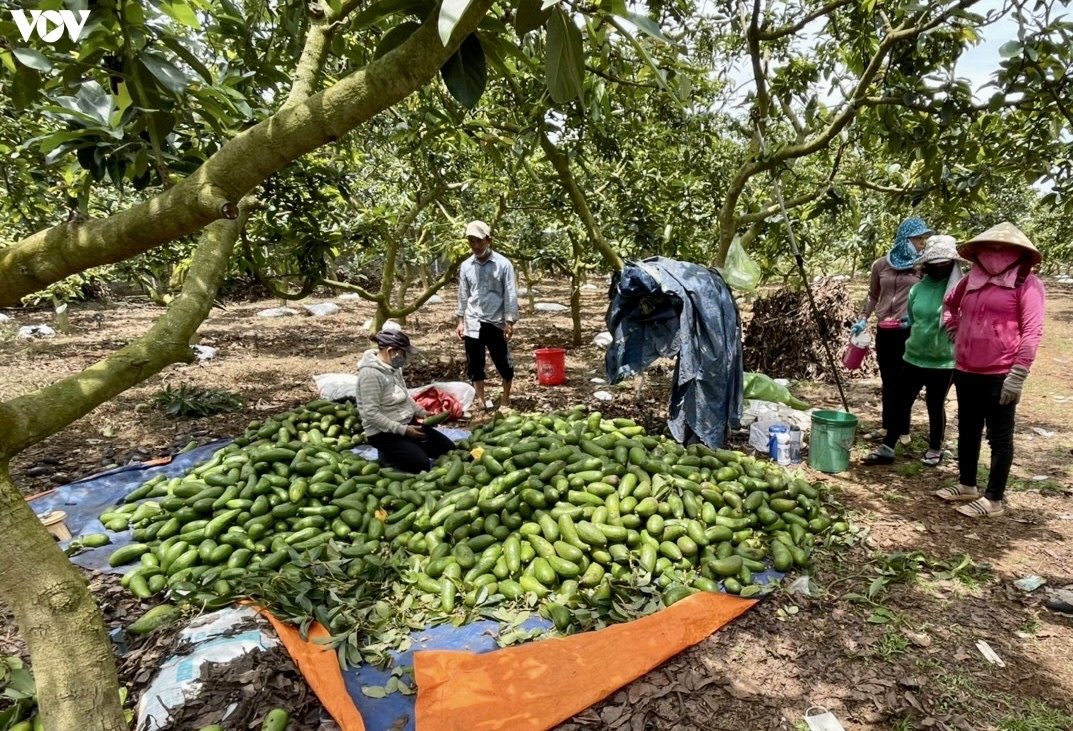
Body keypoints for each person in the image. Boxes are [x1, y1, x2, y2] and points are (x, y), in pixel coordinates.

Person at [934, 222, 1046, 518]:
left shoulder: (1026, 282)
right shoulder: (971, 279)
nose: (995, 254)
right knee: (968, 429)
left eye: (1002, 248)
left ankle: (994, 498)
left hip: (1001, 372)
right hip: (966, 368)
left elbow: (1033, 331)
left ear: (1018, 252)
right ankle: (967, 484)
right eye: (990, 248)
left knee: (999, 436)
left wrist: (1019, 373)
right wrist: (954, 328)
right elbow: (949, 305)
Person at [862, 236, 964, 466]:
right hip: (914, 355)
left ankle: (935, 447)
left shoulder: (958, 291)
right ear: (926, 264)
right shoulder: (917, 289)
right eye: (934, 264)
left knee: (935, 404)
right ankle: (888, 446)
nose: (939, 268)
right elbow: (914, 317)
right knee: (901, 401)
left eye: (944, 264)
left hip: (943, 360)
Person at [855, 216, 933, 442]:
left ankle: (903, 429)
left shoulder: (923, 266)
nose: (922, 243)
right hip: (885, 330)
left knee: (904, 381)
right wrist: (863, 318)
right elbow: (873, 295)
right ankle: (887, 426)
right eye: (918, 239)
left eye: (923, 239)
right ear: (904, 239)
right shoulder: (881, 265)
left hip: (908, 331)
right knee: (888, 380)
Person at [355, 329, 455, 473]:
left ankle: (402, 448)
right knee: (420, 465)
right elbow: (371, 413)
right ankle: (388, 453)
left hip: (406, 424)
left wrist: (421, 412)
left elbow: (405, 396)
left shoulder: (394, 368)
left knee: (448, 450)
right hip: (383, 433)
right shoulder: (370, 375)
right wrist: (403, 430)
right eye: (403, 353)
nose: (405, 358)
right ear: (391, 351)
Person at [456, 220, 519, 412]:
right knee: (475, 364)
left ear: (488, 240)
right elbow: (463, 294)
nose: (475, 246)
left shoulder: (503, 265)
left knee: (503, 363)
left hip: (495, 322)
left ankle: (505, 400)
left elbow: (510, 293)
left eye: (479, 241)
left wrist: (509, 320)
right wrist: (460, 320)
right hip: (472, 321)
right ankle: (482, 401)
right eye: (471, 241)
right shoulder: (466, 266)